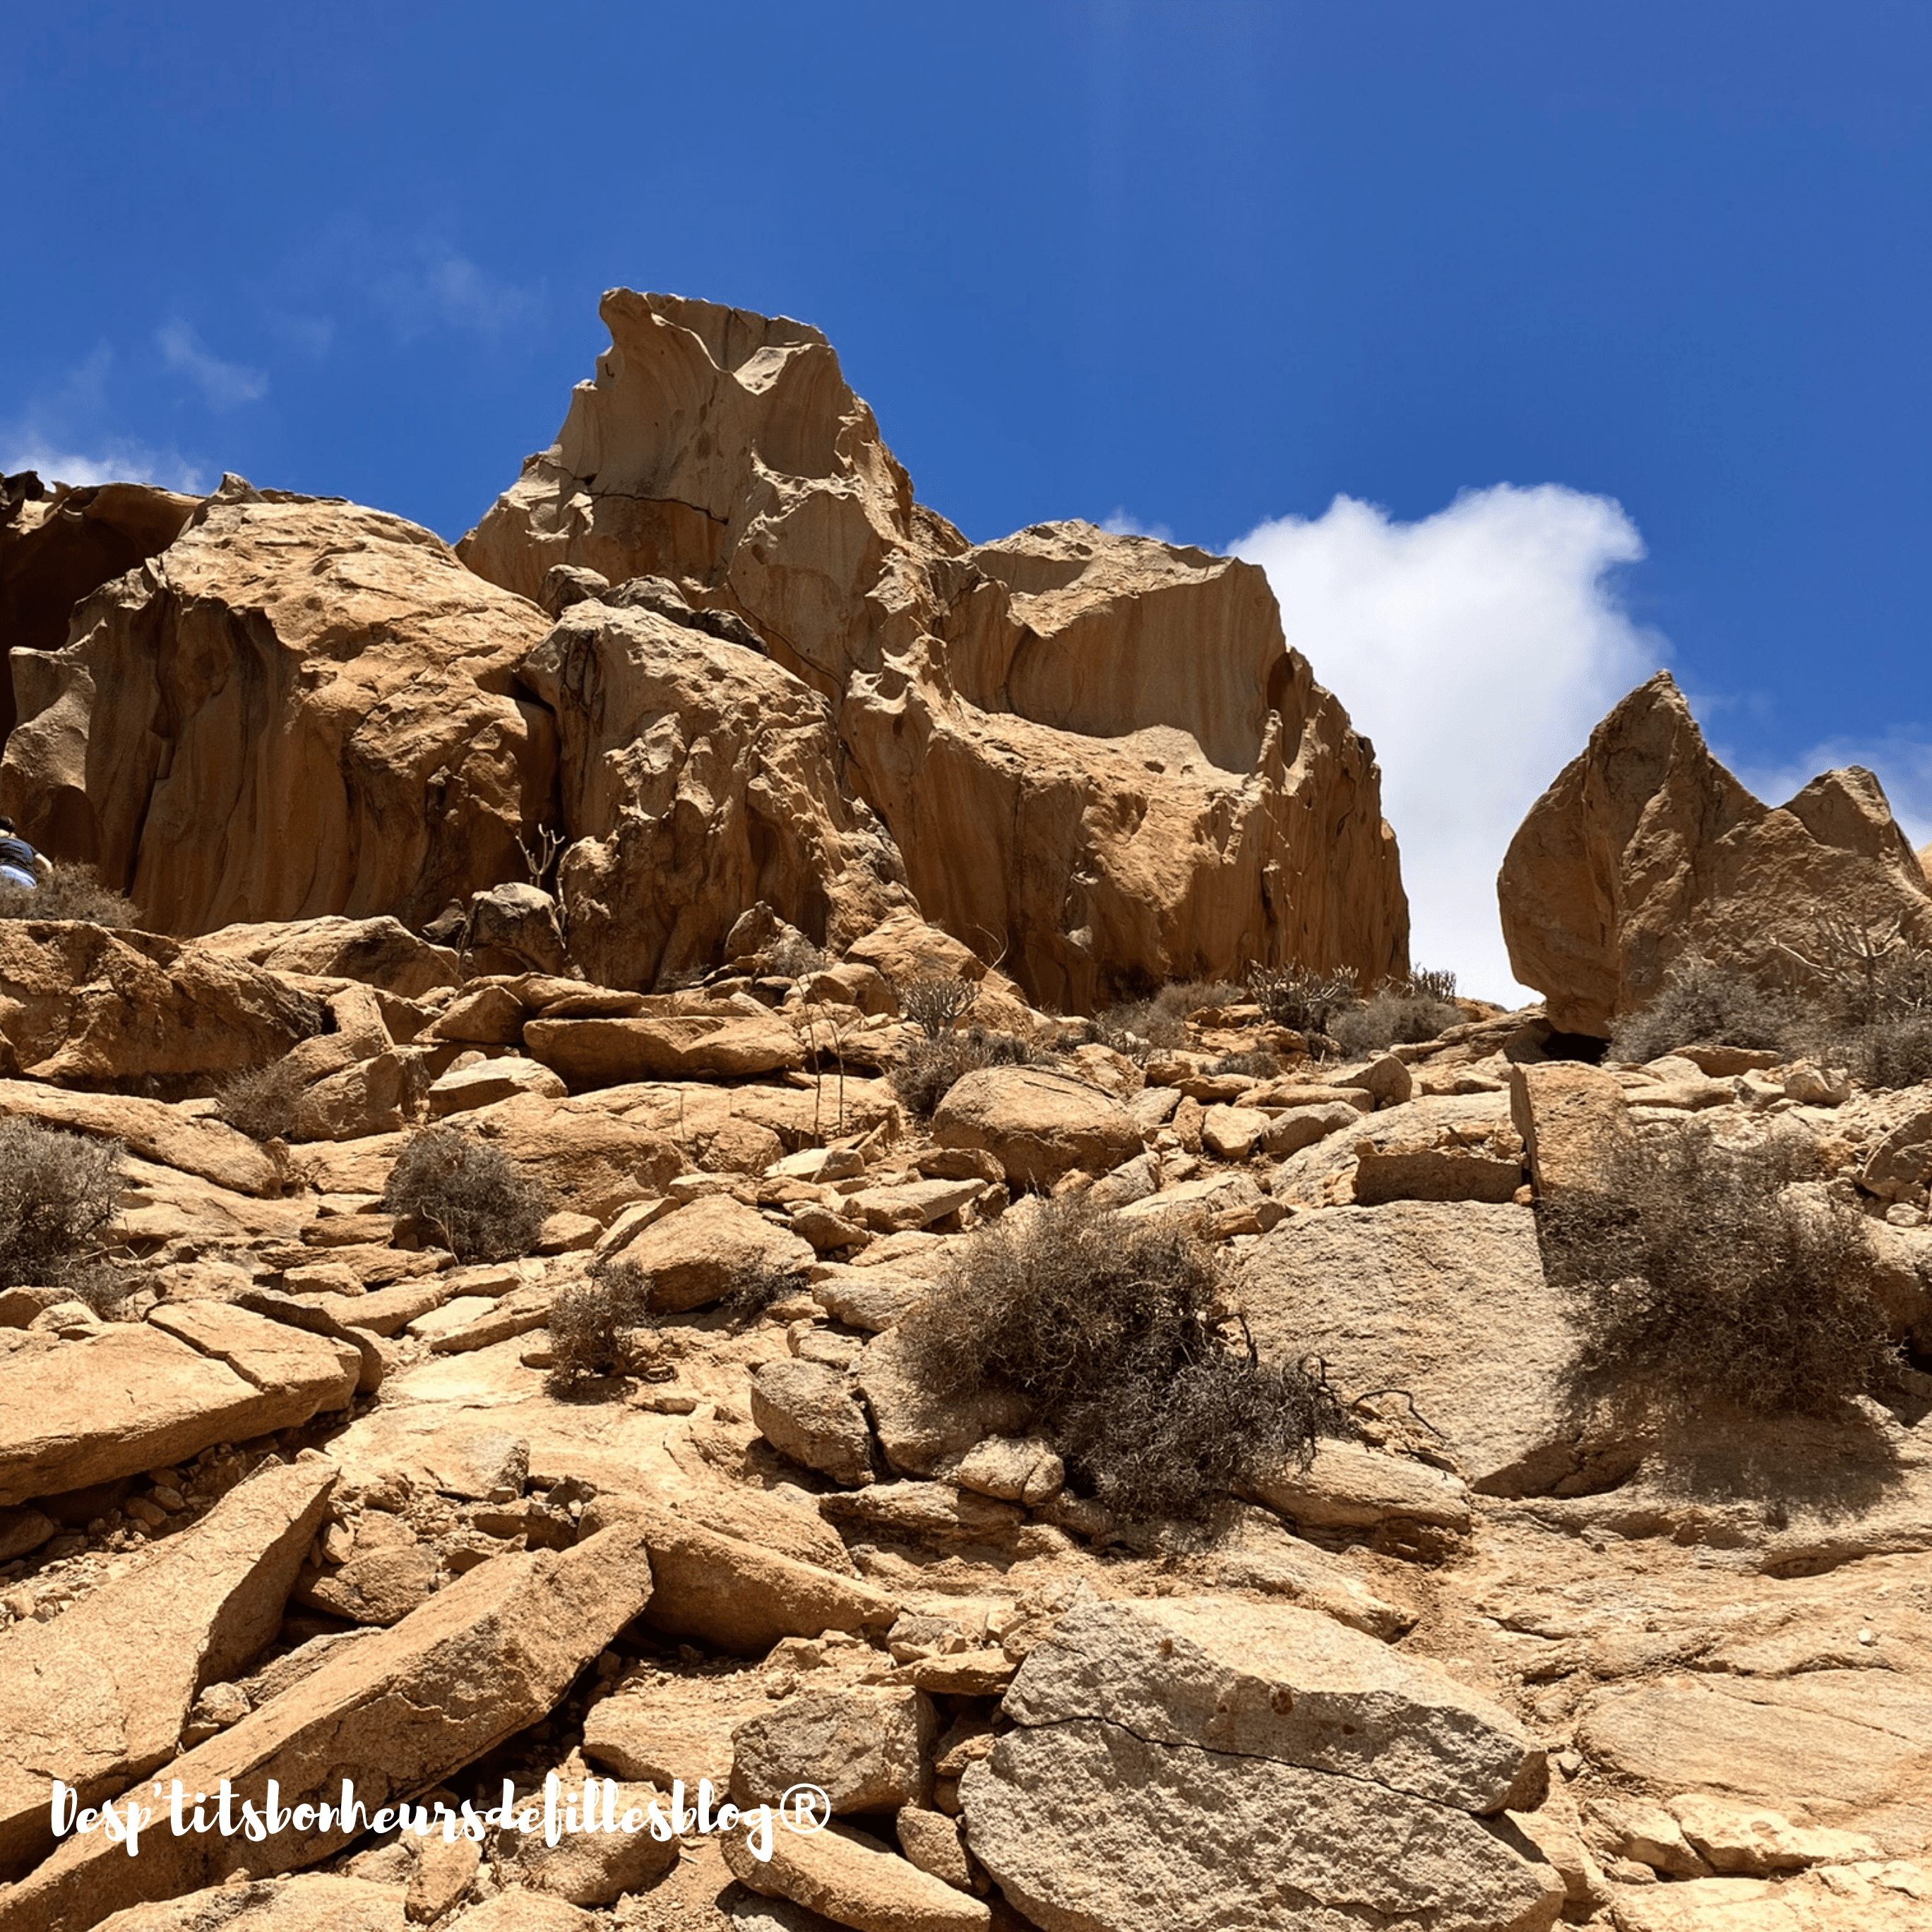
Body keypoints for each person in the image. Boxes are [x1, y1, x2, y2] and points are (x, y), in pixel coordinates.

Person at [0, 816, 41, 892]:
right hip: (27, 881)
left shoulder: (2, 840)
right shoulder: (26, 845)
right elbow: (47, 865)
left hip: (4, 872)